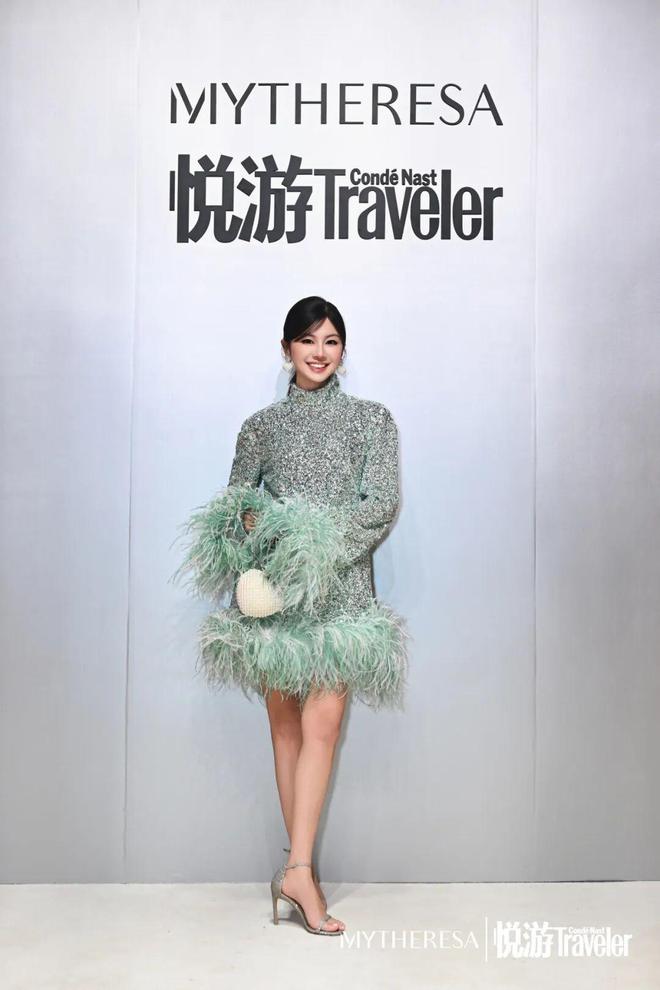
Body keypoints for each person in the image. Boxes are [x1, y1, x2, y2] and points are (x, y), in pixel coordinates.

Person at [175, 296, 409, 936]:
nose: (319, 352)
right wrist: (268, 535)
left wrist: (314, 546)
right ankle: (299, 871)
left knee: (322, 727)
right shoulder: (260, 427)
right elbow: (236, 509)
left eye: (330, 340)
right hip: (275, 596)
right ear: (287, 350)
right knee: (284, 731)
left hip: (340, 593)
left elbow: (380, 504)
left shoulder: (371, 421)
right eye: (307, 340)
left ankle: (296, 871)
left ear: (343, 350)